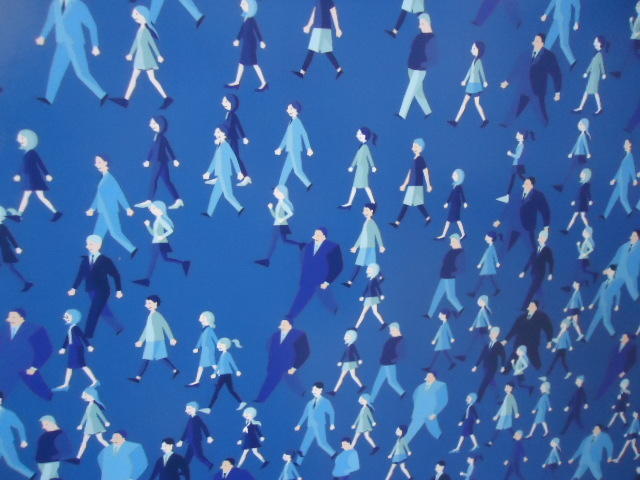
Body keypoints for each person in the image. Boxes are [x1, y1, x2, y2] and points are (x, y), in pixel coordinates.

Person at [35, 0, 108, 105]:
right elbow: (50, 21)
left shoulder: (78, 5)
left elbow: (91, 25)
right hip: (61, 43)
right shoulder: (55, 4)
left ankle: (102, 95)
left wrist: (95, 45)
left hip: (75, 43)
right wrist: (43, 36)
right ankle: (49, 98)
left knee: (82, 73)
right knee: (56, 71)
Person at [110, 6, 172, 109]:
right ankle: (126, 99)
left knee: (151, 79)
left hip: (146, 57)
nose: (134, 16)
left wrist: (158, 55)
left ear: (144, 16)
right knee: (137, 78)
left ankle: (166, 98)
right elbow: (136, 43)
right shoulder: (140, 30)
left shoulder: (145, 31)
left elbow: (152, 44)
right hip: (140, 57)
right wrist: (131, 53)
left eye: (136, 14)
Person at [68, 235, 124, 339]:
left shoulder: (105, 260)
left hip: (102, 290)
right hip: (90, 290)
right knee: (102, 310)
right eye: (87, 244)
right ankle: (118, 327)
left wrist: (119, 290)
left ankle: (88, 334)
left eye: (91, 244)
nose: (87, 246)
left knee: (94, 311)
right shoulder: (85, 260)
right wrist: (74, 288)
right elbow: (80, 275)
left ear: (98, 245)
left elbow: (116, 275)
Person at [500, 34, 561, 127]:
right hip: (523, 88)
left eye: (537, 41)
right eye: (534, 40)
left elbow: (556, 74)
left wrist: (557, 92)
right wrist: (507, 81)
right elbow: (517, 68)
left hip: (537, 91)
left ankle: (546, 126)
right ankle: (505, 125)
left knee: (541, 113)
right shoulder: (526, 54)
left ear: (542, 43)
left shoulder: (548, 56)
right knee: (515, 108)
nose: (534, 42)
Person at [286, 227, 343, 320]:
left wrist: (327, 281)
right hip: (308, 280)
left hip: (322, 280)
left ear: (324, 236)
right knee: (301, 298)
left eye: (317, 234)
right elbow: (305, 263)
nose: (314, 236)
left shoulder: (333, 247)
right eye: (315, 234)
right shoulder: (309, 246)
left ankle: (336, 313)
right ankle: (290, 316)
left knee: (328, 300)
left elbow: (338, 266)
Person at [87, 155, 137, 256]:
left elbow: (119, 194)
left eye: (99, 162)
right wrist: (92, 208)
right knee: (97, 235)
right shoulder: (103, 179)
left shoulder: (109, 179)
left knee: (115, 233)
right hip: (102, 211)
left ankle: (132, 250)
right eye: (96, 162)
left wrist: (127, 208)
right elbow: (98, 196)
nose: (96, 164)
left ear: (105, 163)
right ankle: (91, 257)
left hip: (110, 210)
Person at [133, 201, 190, 287]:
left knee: (154, 260)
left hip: (160, 243)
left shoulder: (160, 220)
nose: (152, 210)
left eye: (155, 208)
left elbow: (170, 230)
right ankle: (183, 263)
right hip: (157, 243)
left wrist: (162, 236)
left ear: (161, 210)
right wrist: (148, 226)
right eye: (152, 209)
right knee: (163, 259)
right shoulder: (157, 220)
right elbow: (153, 234)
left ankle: (147, 280)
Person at [0, 310, 53, 400]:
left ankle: (52, 401)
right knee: (3, 388)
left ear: (22, 319)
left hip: (27, 366)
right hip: (6, 365)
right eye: (9, 317)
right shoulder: (3, 329)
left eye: (13, 317)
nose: (9, 320)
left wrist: (34, 367)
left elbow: (46, 349)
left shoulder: (35, 329)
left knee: (42, 391)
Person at [12, 129, 62, 222]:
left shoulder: (32, 152)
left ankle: (19, 215)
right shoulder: (27, 153)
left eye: (22, 138)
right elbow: (23, 165)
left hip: (34, 178)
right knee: (36, 196)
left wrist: (47, 174)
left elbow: (40, 163)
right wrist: (18, 174)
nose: (20, 141)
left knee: (33, 196)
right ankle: (55, 212)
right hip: (29, 178)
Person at [135, 116, 184, 210]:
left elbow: (168, 148)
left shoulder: (161, 137)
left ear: (159, 124)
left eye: (153, 123)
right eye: (151, 123)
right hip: (159, 161)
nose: (151, 125)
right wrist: (148, 160)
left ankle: (149, 200)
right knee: (167, 181)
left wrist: (174, 159)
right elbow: (152, 150)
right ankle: (178, 200)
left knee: (153, 180)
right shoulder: (157, 136)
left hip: (159, 162)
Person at [254, 319, 309, 402]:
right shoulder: (275, 335)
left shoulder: (299, 335)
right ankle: (260, 399)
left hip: (290, 364)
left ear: (290, 326)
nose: (281, 326)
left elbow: (305, 352)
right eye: (281, 324)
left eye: (284, 324)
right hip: (276, 364)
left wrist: (294, 367)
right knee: (270, 381)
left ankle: (302, 393)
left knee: (292, 381)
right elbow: (269, 347)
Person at [128, 295, 180, 383]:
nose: (147, 305)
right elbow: (146, 329)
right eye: (146, 303)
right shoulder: (151, 315)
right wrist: (141, 340)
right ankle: (175, 370)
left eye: (149, 303)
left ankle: (138, 377)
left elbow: (165, 326)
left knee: (147, 358)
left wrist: (171, 338)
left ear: (155, 304)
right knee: (161, 357)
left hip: (154, 341)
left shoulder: (157, 315)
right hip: (153, 340)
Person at [494, 177, 550, 253]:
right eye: (524, 183)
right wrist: (499, 220)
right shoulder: (517, 194)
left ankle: (536, 258)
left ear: (532, 185)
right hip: (514, 226)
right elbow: (508, 207)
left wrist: (546, 228)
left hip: (528, 228)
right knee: (505, 247)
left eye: (527, 183)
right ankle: (498, 259)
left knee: (532, 250)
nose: (524, 184)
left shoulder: (538, 196)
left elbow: (545, 211)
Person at [292, 0, 344, 79]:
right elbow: (315, 12)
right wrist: (309, 25)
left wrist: (337, 28)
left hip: (322, 28)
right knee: (326, 51)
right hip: (319, 28)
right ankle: (339, 70)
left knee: (312, 50)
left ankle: (302, 72)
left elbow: (334, 12)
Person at [397, 13, 435, 119]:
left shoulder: (432, 39)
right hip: (411, 68)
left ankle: (402, 114)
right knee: (418, 92)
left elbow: (433, 57)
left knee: (410, 91)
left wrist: (423, 65)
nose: (419, 26)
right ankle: (428, 111)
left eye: (421, 23)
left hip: (419, 70)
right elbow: (413, 49)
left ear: (427, 23)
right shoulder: (419, 36)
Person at [255, 186, 303, 267]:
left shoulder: (282, 203)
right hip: (280, 224)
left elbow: (290, 213)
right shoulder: (279, 203)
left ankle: (267, 260)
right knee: (284, 240)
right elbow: (275, 216)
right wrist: (271, 209)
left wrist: (282, 219)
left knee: (273, 242)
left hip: (279, 225)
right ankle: (300, 244)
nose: (274, 193)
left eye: (276, 191)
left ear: (282, 194)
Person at [389, 138, 433, 228]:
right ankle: (428, 218)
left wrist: (429, 185)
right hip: (413, 185)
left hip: (416, 185)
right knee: (418, 204)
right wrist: (404, 184)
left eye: (415, 146)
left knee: (406, 203)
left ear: (420, 148)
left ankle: (397, 222)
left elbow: (425, 172)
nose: (413, 148)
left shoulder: (420, 159)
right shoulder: (414, 159)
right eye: (413, 146)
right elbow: (410, 173)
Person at [202, 126, 245, 217]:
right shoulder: (219, 147)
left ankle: (240, 208)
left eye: (217, 132)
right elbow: (214, 160)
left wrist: (239, 172)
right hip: (219, 173)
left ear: (223, 134)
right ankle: (209, 212)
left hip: (224, 173)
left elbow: (233, 158)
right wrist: (208, 172)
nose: (215, 134)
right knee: (215, 194)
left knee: (227, 194)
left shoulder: (225, 146)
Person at [226, 0, 268, 92]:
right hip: (246, 43)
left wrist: (261, 41)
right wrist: (237, 39)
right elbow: (242, 29)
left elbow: (257, 30)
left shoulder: (251, 19)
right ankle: (237, 82)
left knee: (254, 64)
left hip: (250, 44)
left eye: (243, 3)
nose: (241, 5)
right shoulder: (246, 18)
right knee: (241, 63)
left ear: (250, 6)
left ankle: (264, 83)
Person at [53, 309, 98, 391]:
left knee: (82, 366)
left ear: (73, 318)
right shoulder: (70, 328)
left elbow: (82, 337)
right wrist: (63, 348)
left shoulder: (75, 328)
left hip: (77, 348)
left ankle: (94, 380)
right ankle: (66, 384)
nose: (65, 318)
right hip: (72, 348)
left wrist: (88, 346)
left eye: (67, 317)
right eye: (65, 317)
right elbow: (67, 339)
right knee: (70, 366)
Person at [343, 203, 385, 287]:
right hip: (365, 247)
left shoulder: (371, 223)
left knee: (359, 264)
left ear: (371, 211)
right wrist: (355, 247)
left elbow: (377, 234)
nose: (364, 212)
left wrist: (381, 246)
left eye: (366, 210)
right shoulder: (366, 222)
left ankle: (350, 281)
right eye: (364, 210)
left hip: (367, 247)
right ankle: (380, 276)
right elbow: (362, 236)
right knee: (371, 264)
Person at [503, 301, 553, 370]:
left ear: (536, 308)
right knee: (515, 354)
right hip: (520, 340)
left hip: (532, 342)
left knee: (534, 357)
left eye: (532, 306)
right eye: (529, 305)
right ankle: (507, 369)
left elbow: (548, 328)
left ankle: (539, 368)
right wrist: (506, 340)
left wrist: (549, 341)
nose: (529, 307)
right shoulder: (522, 317)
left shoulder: (541, 317)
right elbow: (514, 329)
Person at [449, 42, 489, 127]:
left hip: (476, 85)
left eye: (474, 48)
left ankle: (485, 120)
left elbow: (481, 71)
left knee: (476, 103)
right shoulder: (474, 60)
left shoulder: (478, 61)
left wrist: (484, 81)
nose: (471, 50)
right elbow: (469, 71)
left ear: (479, 50)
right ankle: (456, 121)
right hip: (471, 85)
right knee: (466, 102)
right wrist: (465, 80)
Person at [424, 234, 465, 319]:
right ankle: (429, 314)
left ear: (457, 241)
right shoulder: (452, 251)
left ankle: (461, 309)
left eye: (452, 241)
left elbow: (461, 267)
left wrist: (452, 273)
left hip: (449, 277)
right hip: (444, 276)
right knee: (437, 296)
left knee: (450, 296)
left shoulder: (460, 253)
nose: (450, 243)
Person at [275, 102, 314, 190]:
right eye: (288, 108)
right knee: (285, 169)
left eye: (290, 108)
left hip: (295, 149)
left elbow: (304, 134)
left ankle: (308, 184)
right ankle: (279, 186)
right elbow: (286, 137)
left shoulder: (297, 122)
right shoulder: (291, 122)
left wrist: (308, 148)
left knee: (297, 170)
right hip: (290, 149)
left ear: (296, 110)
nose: (288, 110)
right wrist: (280, 148)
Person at [294, 382, 336, 462]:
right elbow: (305, 414)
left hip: (319, 425)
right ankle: (298, 462)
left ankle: (334, 454)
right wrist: (299, 425)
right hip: (310, 425)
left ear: (321, 390)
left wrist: (332, 424)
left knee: (321, 443)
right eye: (313, 389)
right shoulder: (310, 403)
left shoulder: (325, 401)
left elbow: (331, 412)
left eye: (315, 389)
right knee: (305, 443)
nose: (313, 391)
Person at [204, 338, 247, 412]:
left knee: (218, 390)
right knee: (229, 390)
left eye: (220, 345)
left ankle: (209, 408)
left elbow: (232, 363)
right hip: (224, 375)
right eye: (219, 346)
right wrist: (214, 373)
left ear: (225, 345)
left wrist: (237, 371)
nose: (219, 347)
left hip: (225, 375)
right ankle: (241, 402)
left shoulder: (227, 354)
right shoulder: (222, 355)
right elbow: (218, 365)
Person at [0, 391, 36, 479]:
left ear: (0, 400)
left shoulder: (7, 413)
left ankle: (31, 476)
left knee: (13, 463)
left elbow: (19, 426)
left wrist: (23, 440)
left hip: (5, 443)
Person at [339, 127, 378, 208]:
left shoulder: (365, 147)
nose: (357, 135)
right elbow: (356, 158)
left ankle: (372, 202)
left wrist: (373, 166)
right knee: (358, 186)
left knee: (364, 186)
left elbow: (369, 157)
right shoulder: (361, 147)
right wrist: (352, 166)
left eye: (359, 133)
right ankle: (350, 203)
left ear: (363, 135)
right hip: (359, 168)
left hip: (363, 169)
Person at [405, 371, 449, 443]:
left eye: (430, 376)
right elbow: (415, 396)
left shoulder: (441, 386)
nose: (427, 378)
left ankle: (443, 439)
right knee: (412, 430)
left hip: (430, 412)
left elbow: (443, 400)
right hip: (419, 413)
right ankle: (403, 444)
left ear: (434, 377)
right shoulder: (421, 386)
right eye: (427, 376)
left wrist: (435, 413)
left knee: (435, 430)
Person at [0, 206, 34, 292]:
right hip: (4, 249)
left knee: (11, 267)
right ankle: (26, 282)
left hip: (4, 249)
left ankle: (26, 282)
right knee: (10, 267)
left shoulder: (2, 227)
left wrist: (17, 247)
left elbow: (10, 237)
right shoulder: (3, 227)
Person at [221, 95, 252, 187]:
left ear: (231, 103)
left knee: (234, 157)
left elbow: (238, 126)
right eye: (223, 101)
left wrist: (244, 137)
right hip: (228, 139)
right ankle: (222, 176)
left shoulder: (232, 115)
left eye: (225, 101)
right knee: (226, 157)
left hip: (231, 140)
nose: (223, 103)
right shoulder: (228, 114)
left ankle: (245, 176)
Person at [518, 229, 554, 310]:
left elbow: (551, 262)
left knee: (531, 290)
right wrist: (524, 271)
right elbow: (530, 260)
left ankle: (524, 307)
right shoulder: (536, 249)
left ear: (544, 239)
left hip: (540, 274)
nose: (538, 239)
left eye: (540, 237)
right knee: (537, 289)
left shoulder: (547, 250)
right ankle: (543, 303)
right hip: (533, 272)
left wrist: (550, 273)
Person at [585, 265, 623, 340]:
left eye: (610, 270)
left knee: (606, 322)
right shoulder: (603, 283)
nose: (608, 271)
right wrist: (593, 303)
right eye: (608, 270)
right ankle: (586, 338)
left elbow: (618, 294)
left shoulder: (615, 283)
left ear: (614, 272)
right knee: (594, 322)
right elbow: (598, 294)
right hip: (600, 305)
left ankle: (614, 334)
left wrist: (617, 305)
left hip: (607, 305)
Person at [370, 323, 406, 401]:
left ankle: (402, 393)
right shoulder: (392, 339)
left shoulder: (400, 340)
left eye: (391, 330)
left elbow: (401, 354)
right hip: (385, 363)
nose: (390, 332)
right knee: (378, 381)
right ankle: (372, 398)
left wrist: (391, 360)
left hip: (389, 364)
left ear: (396, 329)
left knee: (391, 381)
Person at [554, 118, 592, 193]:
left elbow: (585, 145)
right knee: (572, 170)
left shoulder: (583, 136)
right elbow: (576, 145)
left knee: (573, 170)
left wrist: (588, 153)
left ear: (585, 126)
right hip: (577, 155)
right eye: (579, 124)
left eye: (581, 124)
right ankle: (563, 185)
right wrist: (571, 153)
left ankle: (565, 186)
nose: (579, 125)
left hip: (580, 156)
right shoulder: (581, 135)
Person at [602, 140, 637, 219]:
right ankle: (605, 215)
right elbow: (620, 170)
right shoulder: (626, 157)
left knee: (623, 198)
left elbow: (632, 168)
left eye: (626, 144)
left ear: (629, 145)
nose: (624, 145)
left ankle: (630, 212)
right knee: (613, 198)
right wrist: (614, 179)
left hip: (624, 180)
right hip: (620, 180)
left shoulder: (630, 156)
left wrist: (634, 179)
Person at [540, 0, 581, 68]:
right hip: (556, 19)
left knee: (563, 44)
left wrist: (576, 21)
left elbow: (577, 6)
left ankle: (572, 61)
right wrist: (546, 14)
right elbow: (553, 2)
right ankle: (542, 60)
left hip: (564, 21)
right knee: (548, 42)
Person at [596, 333, 637, 399]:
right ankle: (599, 395)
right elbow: (613, 354)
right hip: (612, 367)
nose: (622, 338)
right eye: (622, 336)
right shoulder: (618, 344)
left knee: (614, 385)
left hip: (621, 369)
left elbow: (632, 361)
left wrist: (624, 371)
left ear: (627, 339)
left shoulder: (632, 347)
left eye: (624, 337)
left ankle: (607, 398)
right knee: (606, 381)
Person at [574, 36, 608, 114]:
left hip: (595, 76)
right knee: (592, 92)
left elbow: (601, 65)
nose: (593, 42)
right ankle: (598, 108)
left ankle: (582, 107)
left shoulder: (599, 55)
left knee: (591, 91)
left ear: (599, 43)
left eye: (595, 41)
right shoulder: (596, 54)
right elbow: (591, 64)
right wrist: (587, 72)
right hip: (593, 75)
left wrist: (603, 73)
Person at [472, 326, 507, 402]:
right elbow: (482, 355)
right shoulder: (487, 345)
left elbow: (503, 355)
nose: (490, 334)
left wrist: (503, 366)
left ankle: (478, 398)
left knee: (485, 382)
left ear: (496, 334)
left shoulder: (499, 345)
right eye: (490, 333)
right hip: (485, 366)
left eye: (492, 333)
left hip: (492, 367)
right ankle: (498, 396)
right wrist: (476, 366)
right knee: (491, 381)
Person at [497, 130, 533, 203]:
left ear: (522, 136)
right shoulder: (519, 144)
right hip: (516, 165)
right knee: (515, 179)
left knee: (515, 180)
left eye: (518, 135)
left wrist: (510, 154)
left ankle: (508, 196)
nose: (516, 136)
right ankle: (507, 196)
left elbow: (518, 156)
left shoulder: (521, 145)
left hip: (517, 165)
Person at [176, 402, 214, 470]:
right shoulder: (190, 419)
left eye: (188, 409)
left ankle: (210, 465)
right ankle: (183, 468)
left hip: (195, 441)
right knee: (188, 456)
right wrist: (181, 440)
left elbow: (204, 427)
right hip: (190, 441)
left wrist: (208, 436)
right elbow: (186, 430)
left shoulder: (197, 418)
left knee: (198, 455)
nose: (186, 411)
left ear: (193, 409)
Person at [75, 386, 110, 459]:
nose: (85, 397)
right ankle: (78, 457)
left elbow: (100, 414)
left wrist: (105, 422)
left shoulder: (94, 406)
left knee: (100, 439)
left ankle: (111, 450)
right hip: (89, 426)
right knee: (84, 441)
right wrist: (81, 424)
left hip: (96, 425)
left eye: (87, 395)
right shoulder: (88, 406)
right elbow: (85, 416)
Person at [187, 311, 219, 387]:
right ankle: (197, 381)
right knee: (201, 365)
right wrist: (197, 347)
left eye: (202, 318)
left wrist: (219, 346)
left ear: (207, 319)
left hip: (209, 350)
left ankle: (222, 376)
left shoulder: (209, 330)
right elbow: (201, 339)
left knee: (212, 364)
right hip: (204, 350)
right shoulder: (204, 329)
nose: (199, 320)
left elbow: (216, 339)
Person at [36, 415, 72, 480]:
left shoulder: (60, 435)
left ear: (51, 423)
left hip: (50, 463)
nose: (43, 427)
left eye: (45, 424)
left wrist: (53, 457)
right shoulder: (45, 434)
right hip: (42, 462)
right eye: (43, 425)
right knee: (54, 478)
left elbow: (66, 450)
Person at [435, 169, 469, 240]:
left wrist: (465, 202)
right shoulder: (455, 185)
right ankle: (461, 233)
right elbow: (451, 195)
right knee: (454, 220)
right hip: (453, 204)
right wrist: (447, 202)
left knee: (453, 220)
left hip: (456, 205)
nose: (452, 176)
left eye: (455, 175)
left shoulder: (459, 186)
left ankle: (445, 235)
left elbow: (462, 195)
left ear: (459, 177)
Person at [330, 329, 365, 395]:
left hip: (351, 363)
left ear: (351, 337)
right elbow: (344, 355)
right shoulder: (348, 346)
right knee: (349, 376)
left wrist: (359, 359)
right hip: (347, 363)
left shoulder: (352, 346)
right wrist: (341, 361)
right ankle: (334, 391)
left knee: (349, 376)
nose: (345, 338)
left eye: (346, 337)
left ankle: (334, 391)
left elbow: (356, 353)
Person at [608, 229, 640, 300]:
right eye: (632, 235)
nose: (632, 237)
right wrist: (609, 268)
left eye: (635, 236)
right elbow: (617, 257)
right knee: (612, 288)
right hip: (620, 271)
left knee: (634, 292)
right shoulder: (624, 246)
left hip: (631, 273)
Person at [468, 232, 501, 297]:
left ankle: (474, 293)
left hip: (488, 266)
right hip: (487, 265)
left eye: (486, 237)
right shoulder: (490, 248)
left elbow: (494, 256)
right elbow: (485, 257)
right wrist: (480, 264)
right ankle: (497, 289)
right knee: (489, 278)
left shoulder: (491, 248)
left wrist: (497, 262)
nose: (485, 238)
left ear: (491, 238)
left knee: (481, 279)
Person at [355, 263, 386, 330]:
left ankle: (356, 327)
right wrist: (362, 296)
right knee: (374, 312)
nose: (367, 272)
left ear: (373, 271)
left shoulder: (374, 280)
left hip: (372, 298)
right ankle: (383, 323)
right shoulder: (371, 280)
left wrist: (381, 295)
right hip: (370, 298)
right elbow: (366, 288)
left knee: (364, 313)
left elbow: (377, 287)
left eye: (369, 270)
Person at [562, 169, 593, 233]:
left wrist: (590, 200)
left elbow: (588, 193)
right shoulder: (582, 184)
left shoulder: (586, 185)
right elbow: (578, 194)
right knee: (579, 216)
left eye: (583, 174)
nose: (581, 175)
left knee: (580, 216)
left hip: (582, 202)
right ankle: (567, 229)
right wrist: (574, 201)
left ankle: (568, 229)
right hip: (579, 202)